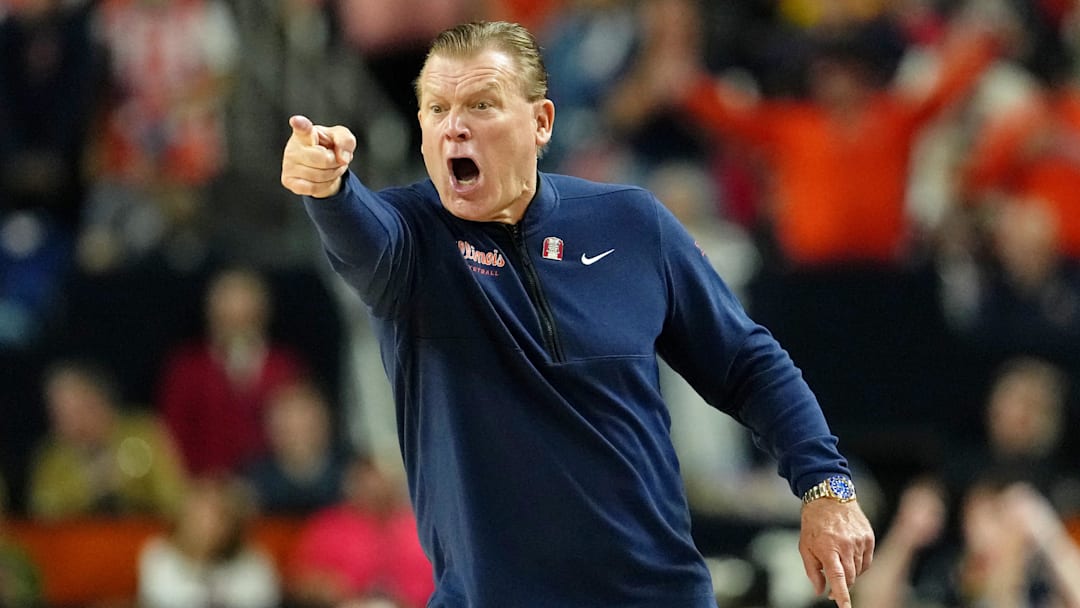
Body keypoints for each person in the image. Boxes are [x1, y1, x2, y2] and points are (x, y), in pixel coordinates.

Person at [280, 20, 873, 608]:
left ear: (541, 122)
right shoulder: (409, 239)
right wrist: (329, 188)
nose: (455, 126)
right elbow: (360, 236)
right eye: (437, 109)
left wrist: (827, 487)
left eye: (481, 105)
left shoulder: (630, 223)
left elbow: (748, 364)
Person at [157, 266, 306, 476]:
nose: (236, 326)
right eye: (227, 318)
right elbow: (171, 437)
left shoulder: (283, 368)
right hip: (203, 485)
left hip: (271, 486)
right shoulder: (187, 369)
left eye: (244, 317)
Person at [28, 359, 188, 520]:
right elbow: (43, 514)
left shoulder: (143, 433)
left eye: (80, 409)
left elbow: (174, 497)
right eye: (61, 414)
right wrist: (94, 484)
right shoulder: (52, 460)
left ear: (100, 399)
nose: (73, 422)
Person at [286, 454, 434, 608]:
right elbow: (298, 580)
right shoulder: (327, 527)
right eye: (365, 481)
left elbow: (443, 582)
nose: (373, 488)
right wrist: (325, 587)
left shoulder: (421, 528)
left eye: (379, 479)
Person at [137, 475, 280, 608]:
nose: (208, 526)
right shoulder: (159, 557)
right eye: (199, 517)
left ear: (233, 524)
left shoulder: (254, 565)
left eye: (218, 517)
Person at [242, 380, 350, 516]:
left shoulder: (352, 475)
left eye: (305, 422)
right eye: (287, 424)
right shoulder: (252, 483)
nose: (297, 432)